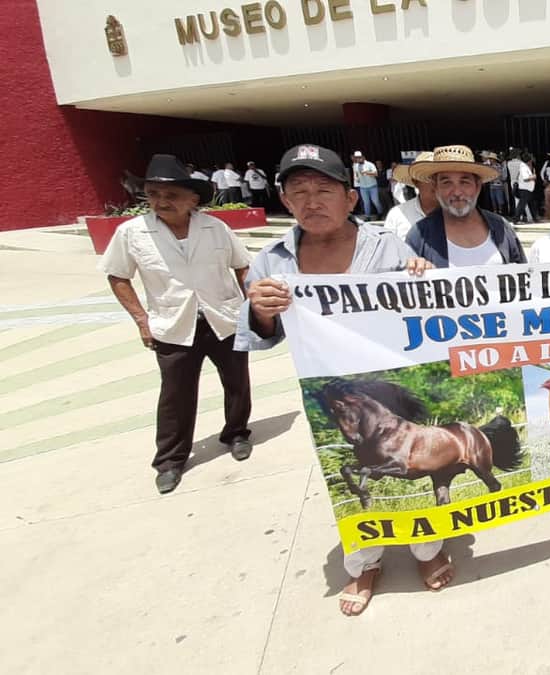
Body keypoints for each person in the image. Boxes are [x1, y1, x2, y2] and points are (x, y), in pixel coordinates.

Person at [236, 143, 446, 617]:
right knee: (348, 484)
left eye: (324, 190)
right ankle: (365, 561)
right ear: (285, 201)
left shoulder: (389, 246)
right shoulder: (272, 262)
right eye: (299, 191)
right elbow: (259, 335)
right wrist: (261, 310)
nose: (312, 201)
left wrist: (422, 277)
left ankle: (427, 551)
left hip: (392, 388)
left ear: (351, 198)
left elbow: (429, 315)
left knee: (414, 468)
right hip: (330, 400)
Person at [100, 154, 254, 495]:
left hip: (223, 318)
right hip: (172, 325)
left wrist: (251, 307)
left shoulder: (216, 228)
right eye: (153, 194)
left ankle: (237, 433)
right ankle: (170, 460)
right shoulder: (132, 233)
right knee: (175, 396)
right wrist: (142, 320)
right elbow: (118, 276)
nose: (161, 202)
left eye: (170, 195)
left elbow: (242, 267)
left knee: (237, 382)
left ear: (192, 199)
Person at [406, 145, 527, 267]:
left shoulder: (502, 228)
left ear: (477, 186)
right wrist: (414, 271)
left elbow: (525, 279)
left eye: (464, 182)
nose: (457, 192)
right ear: (436, 188)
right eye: (447, 183)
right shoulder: (419, 236)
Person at [383, 151, 437, 238]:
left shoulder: (458, 213)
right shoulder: (397, 214)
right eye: (430, 178)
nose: (437, 183)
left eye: (443, 179)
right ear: (416, 182)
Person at [351, 151, 382, 219]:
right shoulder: (355, 166)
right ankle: (367, 216)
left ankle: (380, 213)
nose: (358, 159)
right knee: (366, 203)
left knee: (375, 201)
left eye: (359, 157)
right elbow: (356, 174)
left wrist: (367, 172)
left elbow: (376, 174)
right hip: (363, 187)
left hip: (372, 186)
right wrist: (357, 178)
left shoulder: (370, 164)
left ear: (363, 157)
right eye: (357, 158)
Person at [514, 152, 538, 224]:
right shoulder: (523, 167)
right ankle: (516, 219)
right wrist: (533, 176)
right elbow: (525, 178)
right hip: (524, 189)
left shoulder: (525, 167)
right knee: (522, 205)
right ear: (529, 160)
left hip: (528, 189)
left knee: (532, 204)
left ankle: (535, 218)